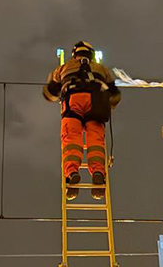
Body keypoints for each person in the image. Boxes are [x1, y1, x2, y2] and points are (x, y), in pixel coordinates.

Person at [43, 41, 122, 200]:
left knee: (71, 139)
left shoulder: (64, 67)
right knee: (96, 141)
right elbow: (115, 96)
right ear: (91, 55)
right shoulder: (102, 69)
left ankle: (72, 174)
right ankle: (98, 173)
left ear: (75, 54)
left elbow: (49, 93)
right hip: (95, 104)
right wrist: (109, 103)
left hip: (73, 103)